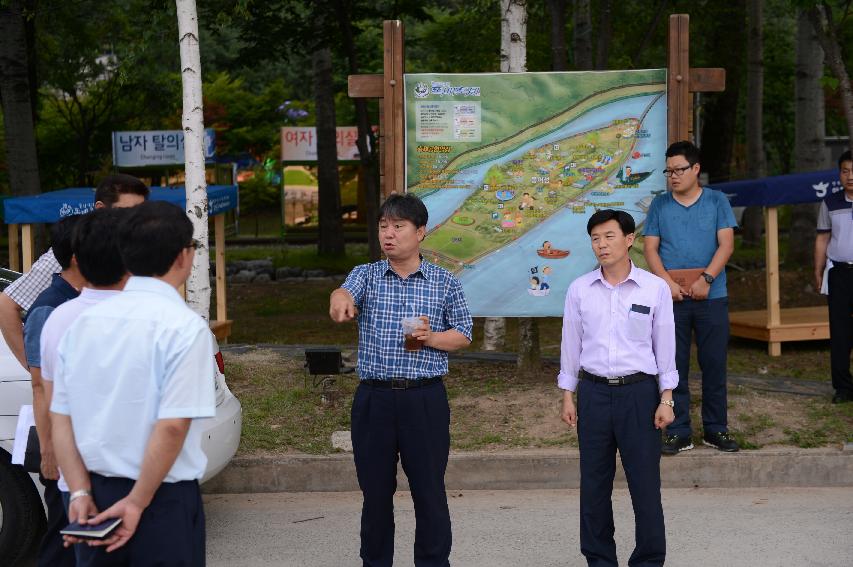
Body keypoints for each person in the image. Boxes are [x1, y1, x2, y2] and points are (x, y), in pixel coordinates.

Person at [50, 201, 215, 564]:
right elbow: (172, 426)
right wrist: (138, 501)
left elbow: (61, 418)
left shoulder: (82, 324)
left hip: (92, 496)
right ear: (183, 257)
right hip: (160, 498)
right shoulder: (184, 327)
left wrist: (77, 492)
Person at [329, 193, 472, 567]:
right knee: (375, 495)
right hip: (374, 400)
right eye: (383, 227)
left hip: (424, 399)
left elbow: (464, 333)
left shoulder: (443, 281)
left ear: (421, 232)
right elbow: (344, 292)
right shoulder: (367, 275)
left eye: (398, 226)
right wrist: (340, 299)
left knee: (429, 493)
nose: (388, 234)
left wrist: (432, 339)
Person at [559, 208, 677, 567]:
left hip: (639, 394)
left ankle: (649, 559)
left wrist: (666, 398)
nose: (601, 245)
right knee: (593, 485)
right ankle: (599, 559)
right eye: (595, 238)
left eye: (609, 236)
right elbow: (571, 344)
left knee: (644, 485)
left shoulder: (654, 289)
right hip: (593, 394)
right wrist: (568, 393)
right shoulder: (580, 289)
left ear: (629, 240)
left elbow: (665, 346)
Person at [39, 208, 129, 565]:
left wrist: (76, 487)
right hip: (138, 476)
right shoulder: (152, 318)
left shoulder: (57, 319)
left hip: (78, 478)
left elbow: (56, 407)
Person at [643, 141, 739, 454]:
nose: (672, 176)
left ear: (696, 169)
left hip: (712, 297)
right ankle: (679, 430)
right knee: (673, 366)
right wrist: (666, 283)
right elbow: (650, 249)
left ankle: (716, 429)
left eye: (679, 170)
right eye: (668, 171)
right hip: (672, 300)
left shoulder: (716, 201)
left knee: (714, 365)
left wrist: (707, 279)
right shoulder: (659, 205)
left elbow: (726, 245)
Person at [0, 173, 149, 367]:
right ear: (101, 210)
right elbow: (6, 305)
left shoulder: (142, 250)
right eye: (127, 213)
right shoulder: (76, 246)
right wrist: (36, 371)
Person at [23, 215, 83, 567]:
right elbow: (39, 385)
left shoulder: (79, 299)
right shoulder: (49, 307)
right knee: (62, 542)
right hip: (60, 448)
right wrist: (49, 451)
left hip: (79, 442)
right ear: (77, 256)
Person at [815, 150, 853, 404]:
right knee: (840, 332)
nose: (850, 176)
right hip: (840, 273)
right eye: (845, 171)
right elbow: (822, 238)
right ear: (839, 173)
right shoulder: (830, 202)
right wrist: (817, 270)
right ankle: (843, 387)